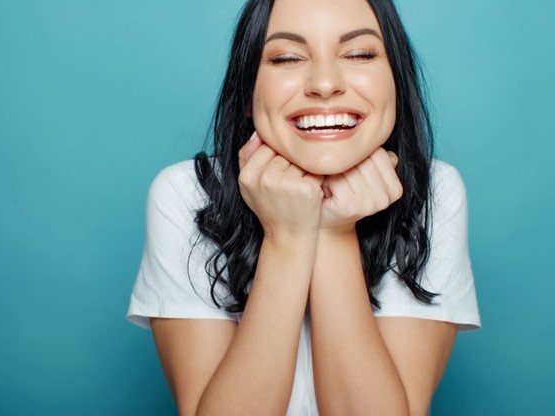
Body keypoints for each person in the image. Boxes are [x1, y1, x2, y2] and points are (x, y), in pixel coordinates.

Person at [127, 0, 481, 414]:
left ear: (396, 82)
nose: (325, 83)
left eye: (360, 54)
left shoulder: (433, 192)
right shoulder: (188, 194)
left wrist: (334, 231)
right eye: (287, 57)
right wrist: (288, 237)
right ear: (246, 93)